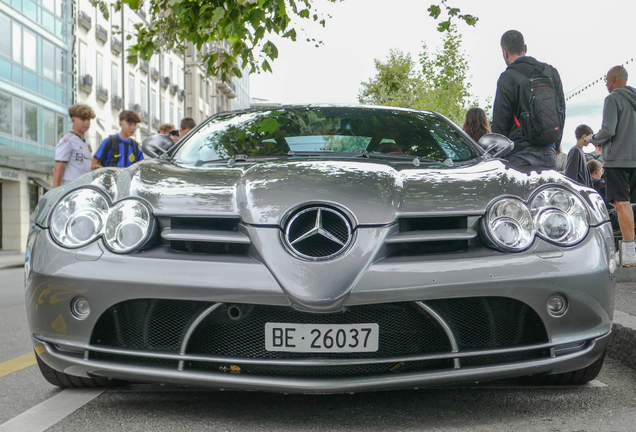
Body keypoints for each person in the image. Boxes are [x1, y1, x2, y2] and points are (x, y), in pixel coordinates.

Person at [585, 66, 636, 266]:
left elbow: (608, 130)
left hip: (618, 160)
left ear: (613, 79)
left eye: (606, 81)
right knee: (633, 204)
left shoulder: (613, 99)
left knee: (621, 204)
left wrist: (592, 138)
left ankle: (630, 251)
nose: (606, 84)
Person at [492, 30, 565, 169]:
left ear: (505, 52)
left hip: (518, 155)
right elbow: (561, 111)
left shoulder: (507, 78)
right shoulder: (551, 72)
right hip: (548, 153)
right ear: (525, 48)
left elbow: (500, 123)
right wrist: (554, 145)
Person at [53, 104, 96, 187]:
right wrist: (54, 194)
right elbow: (58, 169)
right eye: (83, 119)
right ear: (73, 120)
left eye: (88, 120)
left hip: (84, 188)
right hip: (70, 189)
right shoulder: (67, 140)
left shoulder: (87, 143)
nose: (86, 123)